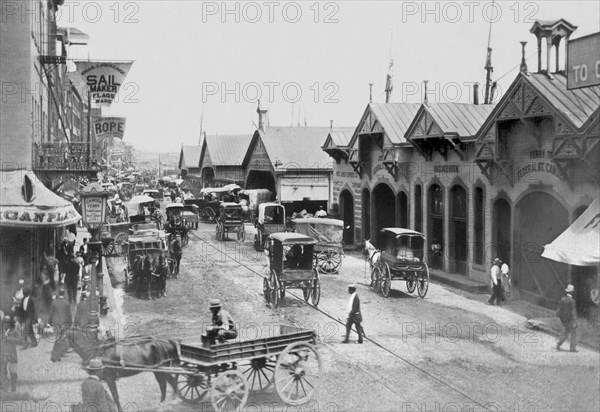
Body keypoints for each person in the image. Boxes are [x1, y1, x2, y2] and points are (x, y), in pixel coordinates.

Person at [1, 315, 20, 392]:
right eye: (4, 322)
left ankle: (13, 386)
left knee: (13, 372)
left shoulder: (14, 331)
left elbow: (20, 340)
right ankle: (4, 388)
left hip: (12, 354)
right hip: (2, 354)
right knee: (2, 372)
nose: (6, 324)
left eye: (7, 322)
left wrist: (9, 339)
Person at [557, 284, 578, 352]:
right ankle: (572, 348)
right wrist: (575, 321)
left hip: (564, 319)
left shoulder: (563, 299)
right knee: (574, 333)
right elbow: (573, 312)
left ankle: (559, 343)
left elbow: (560, 310)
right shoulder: (572, 301)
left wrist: (561, 318)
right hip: (570, 320)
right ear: (572, 292)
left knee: (567, 331)